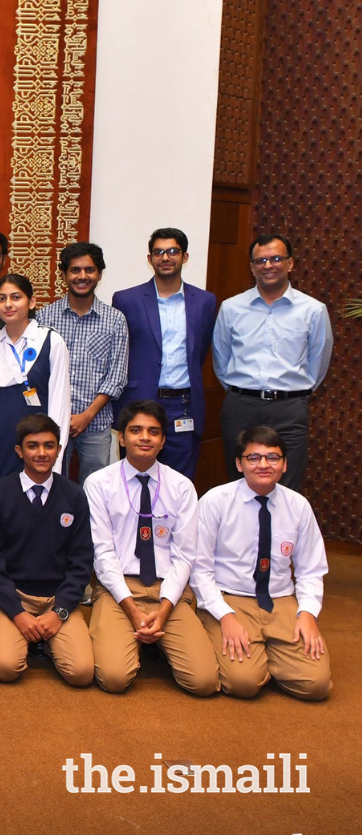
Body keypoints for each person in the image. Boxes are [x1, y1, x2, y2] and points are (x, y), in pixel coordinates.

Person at [84, 401, 219, 696]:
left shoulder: (181, 487)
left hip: (168, 589)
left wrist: (166, 606)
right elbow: (102, 553)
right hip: (118, 588)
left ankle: (155, 638)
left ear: (163, 441)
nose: (144, 437)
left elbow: (185, 555)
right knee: (114, 678)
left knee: (204, 682)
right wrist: (131, 608)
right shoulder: (99, 484)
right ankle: (145, 637)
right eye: (136, 430)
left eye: (153, 432)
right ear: (121, 437)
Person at [191, 426, 330, 701]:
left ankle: (266, 653)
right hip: (231, 598)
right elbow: (199, 569)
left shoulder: (298, 506)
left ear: (285, 464)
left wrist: (308, 614)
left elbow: (310, 570)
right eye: (254, 458)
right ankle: (263, 658)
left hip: (280, 600)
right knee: (243, 683)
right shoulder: (215, 501)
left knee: (316, 685)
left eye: (273, 457)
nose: (264, 464)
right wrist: (225, 616)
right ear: (239, 464)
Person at [212, 234, 333, 491]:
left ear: (290, 264)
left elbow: (318, 363)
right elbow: (221, 360)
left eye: (276, 258)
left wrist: (296, 393)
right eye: (261, 260)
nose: (268, 265)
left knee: (287, 486)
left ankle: (278, 534)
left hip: (289, 408)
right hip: (241, 407)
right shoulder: (231, 308)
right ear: (252, 266)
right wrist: (243, 392)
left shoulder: (313, 310)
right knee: (239, 485)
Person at [0, 414, 94, 686]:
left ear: (59, 450)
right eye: (33, 446)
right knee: (5, 668)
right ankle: (27, 636)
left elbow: (81, 562)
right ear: (19, 451)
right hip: (12, 598)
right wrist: (17, 613)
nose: (42, 453)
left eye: (49, 445)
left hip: (57, 600)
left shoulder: (74, 495)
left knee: (81, 674)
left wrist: (61, 613)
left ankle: (44, 638)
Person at [112, 227, 217, 479]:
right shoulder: (126, 299)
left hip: (183, 406)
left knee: (180, 480)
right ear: (150, 259)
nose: (165, 257)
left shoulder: (205, 301)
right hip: (140, 402)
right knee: (135, 478)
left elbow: (199, 352)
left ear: (185, 256)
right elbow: (121, 352)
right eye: (158, 252)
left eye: (172, 251)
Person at [36, 243, 128, 484]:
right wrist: (62, 416)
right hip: (52, 422)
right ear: (64, 274)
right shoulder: (44, 317)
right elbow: (38, 373)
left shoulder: (115, 320)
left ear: (99, 274)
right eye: (75, 270)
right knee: (50, 483)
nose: (82, 276)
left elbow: (116, 377)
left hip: (96, 423)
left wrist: (87, 415)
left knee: (96, 487)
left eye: (90, 270)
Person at [0, 274, 71, 482]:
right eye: (1, 299)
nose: (8, 305)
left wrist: (54, 460)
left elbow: (60, 405)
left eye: (16, 297)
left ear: (31, 302)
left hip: (40, 449)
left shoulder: (50, 340)